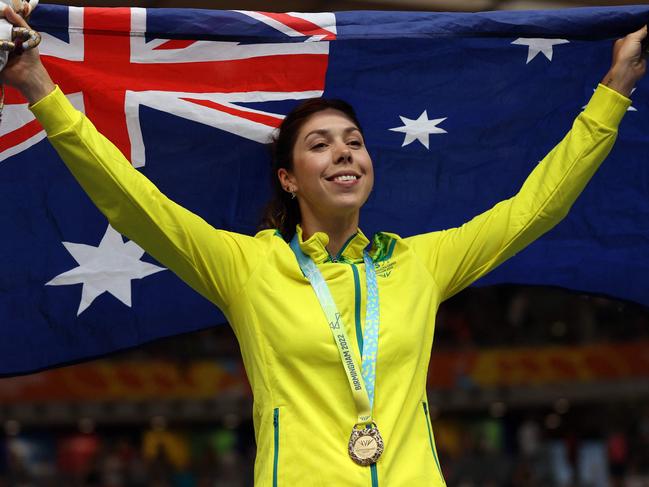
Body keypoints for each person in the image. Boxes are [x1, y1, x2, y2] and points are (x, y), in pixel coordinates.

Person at [1, 6, 646, 486]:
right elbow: (130, 201)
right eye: (320, 144)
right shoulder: (247, 267)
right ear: (289, 177)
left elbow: (539, 206)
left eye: (354, 141)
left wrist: (614, 87)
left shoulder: (420, 263)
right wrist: (39, 88)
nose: (344, 152)